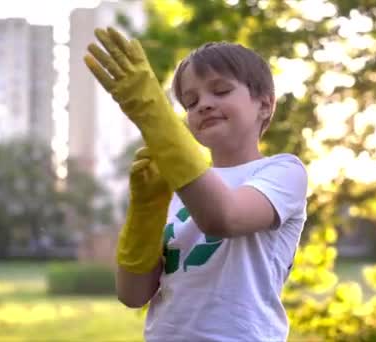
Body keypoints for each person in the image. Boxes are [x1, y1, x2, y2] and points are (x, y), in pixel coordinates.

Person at [84, 27, 308, 342]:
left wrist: (150, 110)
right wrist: (146, 209)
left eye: (220, 91)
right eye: (190, 101)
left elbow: (224, 218)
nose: (203, 104)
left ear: (265, 105)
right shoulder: (178, 188)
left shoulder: (283, 172)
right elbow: (132, 294)